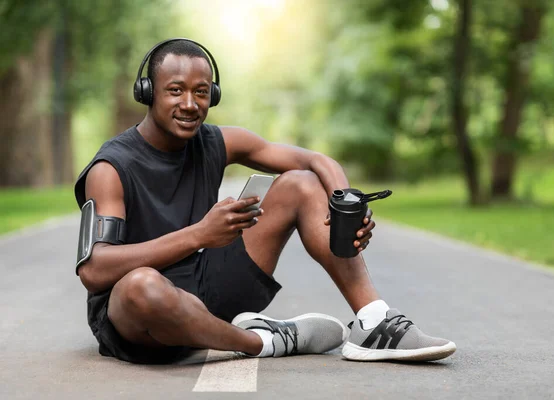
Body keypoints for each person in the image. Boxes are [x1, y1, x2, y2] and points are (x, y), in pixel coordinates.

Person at [74, 38, 456, 365]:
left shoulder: (216, 141)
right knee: (143, 286)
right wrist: (200, 234)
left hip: (206, 291)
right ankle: (264, 341)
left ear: (214, 95)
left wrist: (346, 204)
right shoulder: (111, 167)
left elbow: (313, 161)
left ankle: (373, 321)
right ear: (148, 92)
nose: (190, 104)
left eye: (201, 91)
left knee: (302, 184)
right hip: (139, 319)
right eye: (175, 90)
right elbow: (94, 270)